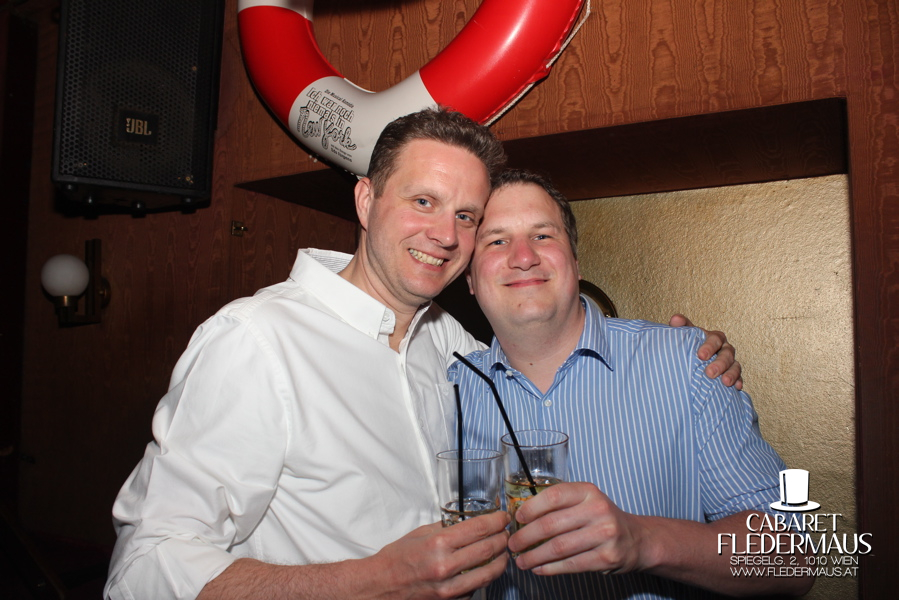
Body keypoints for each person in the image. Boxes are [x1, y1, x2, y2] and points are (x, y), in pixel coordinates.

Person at [104, 110, 740, 600]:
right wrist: (374, 580)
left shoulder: (453, 348)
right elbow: (143, 568)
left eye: (466, 217)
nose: (444, 235)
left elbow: (542, 341)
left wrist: (687, 356)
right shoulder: (256, 340)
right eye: (424, 202)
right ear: (366, 200)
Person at [450, 169, 814, 599]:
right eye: (496, 241)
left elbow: (794, 554)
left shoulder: (686, 363)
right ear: (470, 278)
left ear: (576, 261)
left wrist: (642, 541)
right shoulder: (449, 390)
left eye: (543, 235)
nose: (524, 256)